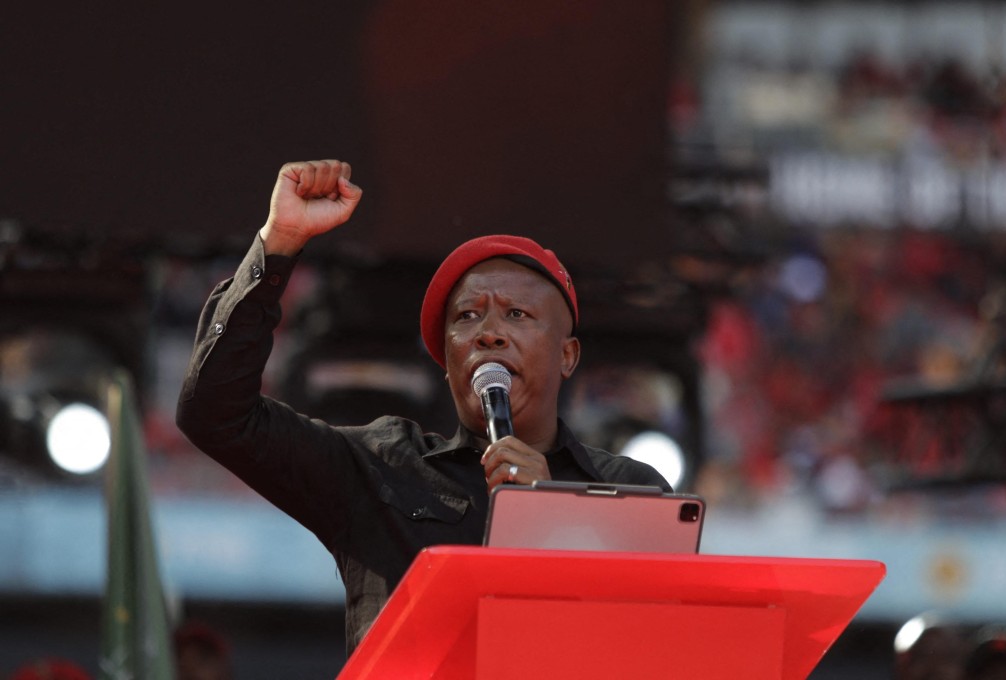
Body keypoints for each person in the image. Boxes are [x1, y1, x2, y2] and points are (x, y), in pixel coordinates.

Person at [175, 159, 670, 656]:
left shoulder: (631, 493)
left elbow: (649, 650)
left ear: (567, 356)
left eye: (517, 314)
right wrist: (279, 240)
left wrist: (548, 517)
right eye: (467, 317)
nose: (488, 332)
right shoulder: (381, 467)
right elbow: (215, 414)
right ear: (448, 362)